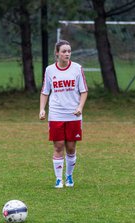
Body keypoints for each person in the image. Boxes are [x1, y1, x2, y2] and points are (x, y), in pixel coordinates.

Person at [39, 40, 88, 188]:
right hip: (56, 114)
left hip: (73, 114)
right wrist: (42, 109)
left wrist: (80, 107)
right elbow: (45, 91)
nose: (67, 54)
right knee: (59, 145)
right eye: (64, 51)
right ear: (57, 53)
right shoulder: (50, 70)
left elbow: (84, 91)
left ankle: (69, 176)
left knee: (71, 147)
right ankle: (59, 179)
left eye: (69, 51)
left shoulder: (77, 69)